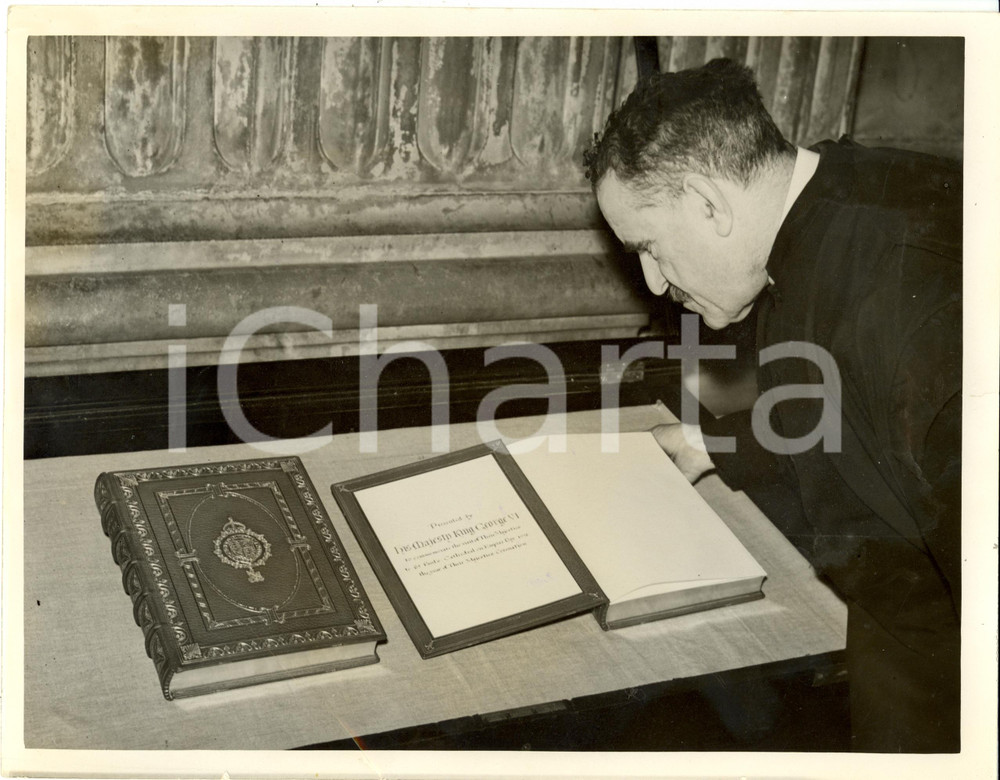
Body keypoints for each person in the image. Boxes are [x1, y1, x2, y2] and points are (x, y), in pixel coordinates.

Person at [585, 58, 961, 753]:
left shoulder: (912, 299)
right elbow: (847, 406)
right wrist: (710, 444)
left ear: (708, 203)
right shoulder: (826, 204)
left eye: (649, 247)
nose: (654, 282)